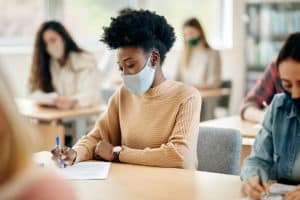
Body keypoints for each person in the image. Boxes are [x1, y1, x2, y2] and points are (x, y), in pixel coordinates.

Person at [52, 10, 202, 169]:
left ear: (154, 59)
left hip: (175, 188)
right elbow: (97, 138)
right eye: (121, 67)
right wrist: (75, 153)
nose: (125, 74)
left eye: (130, 65)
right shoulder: (122, 95)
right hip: (133, 185)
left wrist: (117, 153)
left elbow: (179, 155)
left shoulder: (187, 97)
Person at [241, 33, 300, 200]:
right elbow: (257, 160)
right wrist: (252, 178)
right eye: (287, 85)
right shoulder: (279, 106)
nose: (295, 94)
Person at [0, 71, 75, 200]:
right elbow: (32, 91)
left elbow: (94, 136)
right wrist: (76, 152)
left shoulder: (44, 191)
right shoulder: (41, 63)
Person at [29, 21, 101, 110]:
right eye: (46, 44)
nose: (50, 46)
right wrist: (44, 100)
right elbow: (36, 91)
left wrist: (73, 101)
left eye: (53, 40)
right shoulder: (50, 64)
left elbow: (91, 94)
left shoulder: (85, 60)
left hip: (85, 117)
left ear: (63, 38)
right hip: (62, 116)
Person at [176, 17, 221, 90]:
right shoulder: (183, 55)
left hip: (204, 97)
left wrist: (193, 87)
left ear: (200, 32)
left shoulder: (212, 54)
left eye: (191, 33)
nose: (189, 37)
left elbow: (214, 83)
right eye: (186, 35)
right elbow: (176, 78)